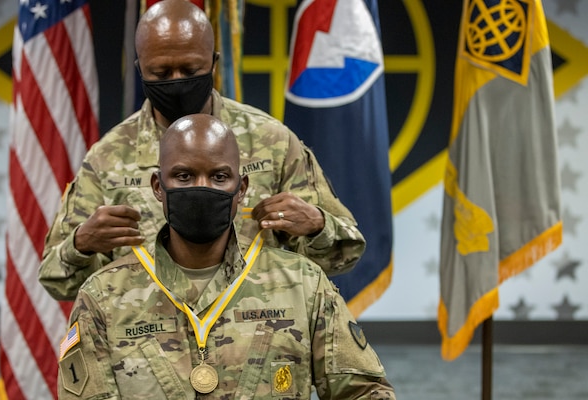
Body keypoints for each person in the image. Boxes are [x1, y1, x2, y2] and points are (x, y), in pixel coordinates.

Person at [39, 0, 365, 301]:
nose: (177, 80)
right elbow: (55, 278)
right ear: (141, 70)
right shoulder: (107, 158)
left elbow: (346, 252)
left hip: (257, 342)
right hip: (144, 350)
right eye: (162, 73)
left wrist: (318, 224)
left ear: (213, 62)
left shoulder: (272, 142)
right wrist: (81, 245)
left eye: (191, 70)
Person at [57, 114, 395, 399]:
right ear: (158, 187)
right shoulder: (103, 297)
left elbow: (366, 393)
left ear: (242, 189)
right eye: (184, 176)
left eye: (219, 177)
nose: (201, 188)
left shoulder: (302, 285)